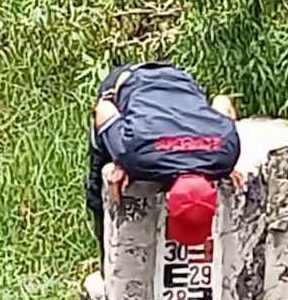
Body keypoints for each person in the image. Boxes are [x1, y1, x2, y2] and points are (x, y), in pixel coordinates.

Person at [85, 60, 242, 261]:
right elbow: (104, 108)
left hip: (181, 80)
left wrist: (224, 163)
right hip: (131, 79)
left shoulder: (225, 155)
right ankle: (105, 271)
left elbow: (222, 102)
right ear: (167, 200)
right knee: (97, 194)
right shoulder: (138, 155)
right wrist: (119, 156)